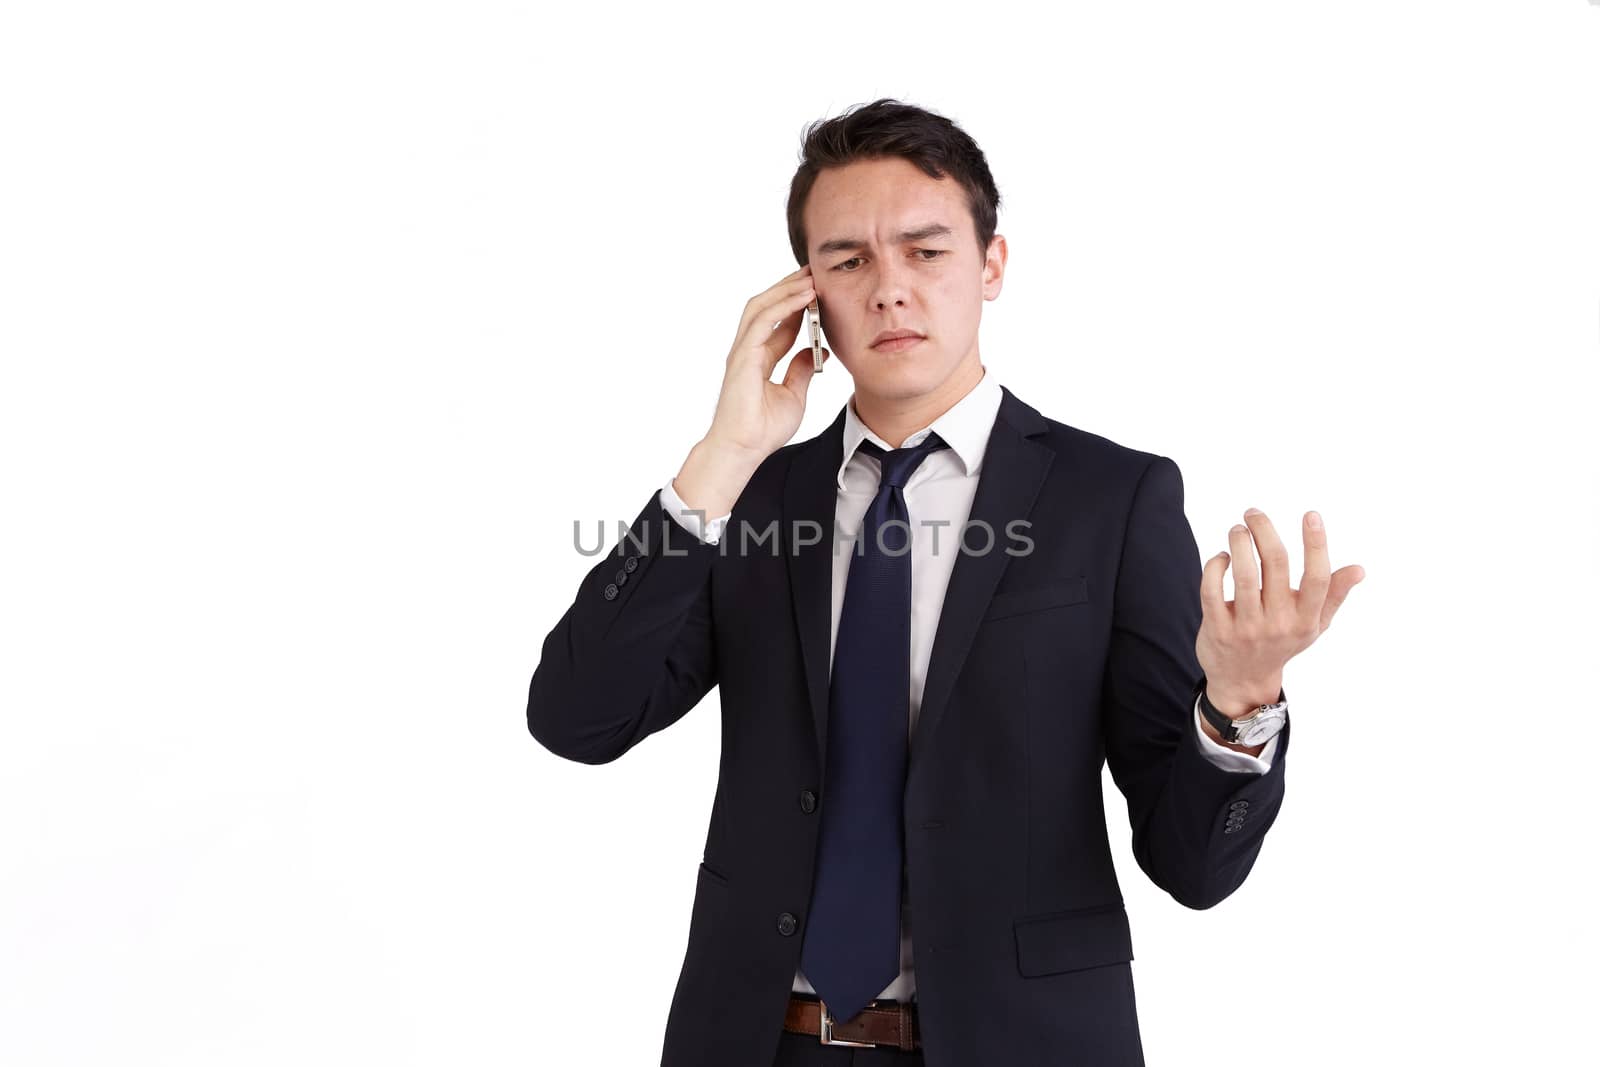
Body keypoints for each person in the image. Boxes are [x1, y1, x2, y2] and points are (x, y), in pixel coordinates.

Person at [526, 98, 1363, 1067]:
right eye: (848, 260)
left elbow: (1192, 864)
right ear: (806, 293)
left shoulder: (1111, 497)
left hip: (1024, 1043)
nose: (888, 290)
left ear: (990, 266)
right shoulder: (750, 495)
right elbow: (576, 716)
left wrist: (1238, 701)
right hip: (762, 1041)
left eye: (925, 251)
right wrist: (720, 455)